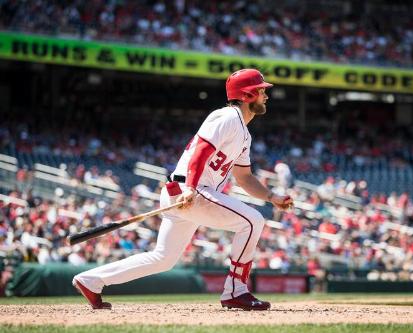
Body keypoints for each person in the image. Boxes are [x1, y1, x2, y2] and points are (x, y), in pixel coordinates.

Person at [72, 69, 293, 311]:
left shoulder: (244, 133)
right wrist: (191, 188)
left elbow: (245, 177)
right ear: (248, 94)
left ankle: (90, 280)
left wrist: (272, 197)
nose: (266, 95)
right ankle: (235, 291)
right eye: (261, 90)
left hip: (184, 190)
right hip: (191, 189)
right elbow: (200, 152)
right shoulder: (228, 117)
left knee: (163, 258)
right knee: (252, 221)